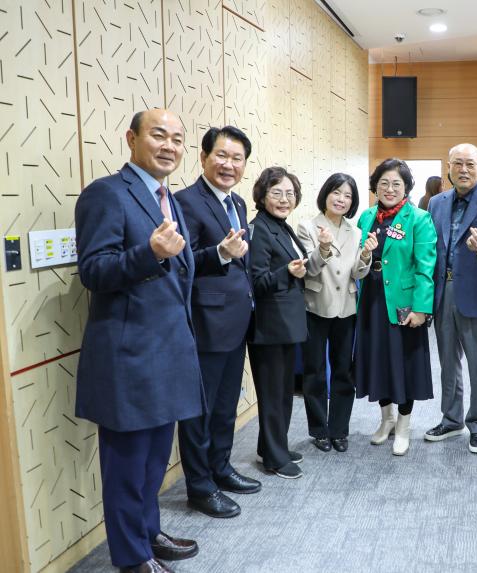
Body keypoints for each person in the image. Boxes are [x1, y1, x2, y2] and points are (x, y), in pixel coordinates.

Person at [74, 109, 246, 572]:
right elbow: (93, 270)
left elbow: (179, 269)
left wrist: (214, 255)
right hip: (129, 355)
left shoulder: (164, 197)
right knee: (128, 465)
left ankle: (148, 533)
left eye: (177, 138)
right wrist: (147, 253)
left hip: (168, 351)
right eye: (158, 135)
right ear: (132, 139)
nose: (169, 146)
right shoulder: (107, 194)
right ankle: (132, 558)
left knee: (152, 462)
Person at [174, 125, 259, 519]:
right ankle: (200, 486)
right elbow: (183, 259)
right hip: (205, 323)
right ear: (204, 157)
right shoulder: (185, 202)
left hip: (235, 322)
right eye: (221, 156)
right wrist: (220, 254)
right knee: (200, 410)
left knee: (226, 405)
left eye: (237, 158)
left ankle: (221, 468)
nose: (229, 165)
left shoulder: (237, 202)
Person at [424, 143, 477, 454]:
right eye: (458, 163)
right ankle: (451, 419)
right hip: (442, 291)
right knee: (448, 361)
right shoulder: (436, 202)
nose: (463, 170)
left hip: (476, 292)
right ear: (449, 166)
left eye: (470, 164)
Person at [355, 158, 437, 456]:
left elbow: (426, 268)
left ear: (406, 188)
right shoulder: (366, 217)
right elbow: (358, 258)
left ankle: (403, 424)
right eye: (384, 183)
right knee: (378, 360)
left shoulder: (418, 219)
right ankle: (386, 419)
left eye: (396, 184)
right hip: (371, 302)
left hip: (404, 304)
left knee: (404, 364)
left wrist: (421, 309)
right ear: (375, 186)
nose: (389, 189)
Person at [296, 173, 375, 453]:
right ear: (326, 194)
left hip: (346, 308)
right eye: (336, 193)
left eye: (348, 196)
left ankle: (339, 430)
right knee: (315, 371)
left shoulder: (355, 232)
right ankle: (318, 429)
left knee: (344, 371)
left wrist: (365, 255)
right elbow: (309, 269)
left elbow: (356, 273)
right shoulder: (307, 227)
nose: (341, 199)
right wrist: (324, 248)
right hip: (316, 306)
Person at [247, 167, 308, 479]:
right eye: (277, 193)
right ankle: (274, 458)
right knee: (273, 395)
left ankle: (273, 446)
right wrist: (288, 272)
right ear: (262, 196)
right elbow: (256, 281)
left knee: (283, 392)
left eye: (290, 193)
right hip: (269, 327)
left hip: (286, 323)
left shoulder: (281, 227)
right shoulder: (259, 229)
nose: (285, 199)